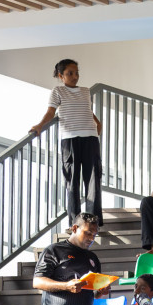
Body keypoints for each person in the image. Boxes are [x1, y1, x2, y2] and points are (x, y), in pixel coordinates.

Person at [32, 214, 111, 305]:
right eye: (87, 233)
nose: (91, 238)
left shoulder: (93, 258)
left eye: (94, 234)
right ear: (75, 228)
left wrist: (100, 292)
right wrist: (66, 286)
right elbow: (37, 281)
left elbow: (93, 293)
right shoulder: (54, 250)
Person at [29, 58, 101, 221]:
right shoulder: (57, 91)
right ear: (61, 76)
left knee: (93, 181)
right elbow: (50, 112)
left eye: (76, 73)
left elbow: (88, 111)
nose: (75, 76)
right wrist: (40, 125)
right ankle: (75, 221)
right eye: (70, 73)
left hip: (90, 138)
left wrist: (98, 124)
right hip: (70, 139)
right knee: (72, 182)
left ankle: (93, 221)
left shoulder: (85, 91)